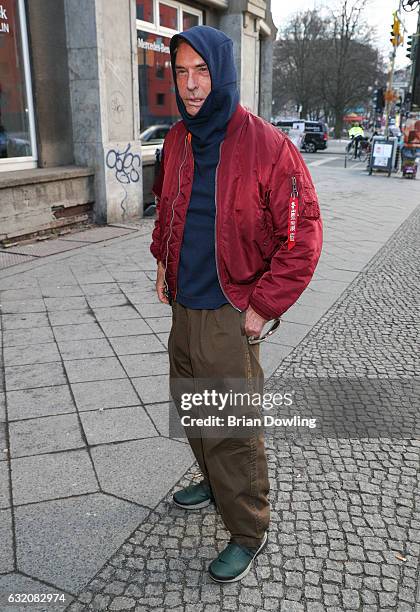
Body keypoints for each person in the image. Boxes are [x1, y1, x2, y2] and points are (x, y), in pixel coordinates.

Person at [150, 25, 323, 583]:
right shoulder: (178, 138)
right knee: (191, 406)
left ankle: (248, 530)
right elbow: (169, 207)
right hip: (186, 303)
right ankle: (210, 479)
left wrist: (264, 305)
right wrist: (162, 261)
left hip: (232, 307)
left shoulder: (268, 146)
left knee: (234, 425)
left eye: (202, 71)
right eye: (182, 73)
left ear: (222, 72)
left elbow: (302, 238)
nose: (192, 85)